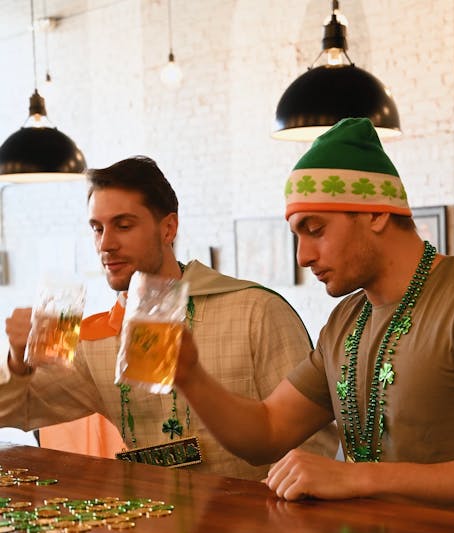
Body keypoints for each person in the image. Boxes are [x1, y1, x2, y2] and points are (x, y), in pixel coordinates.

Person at [171, 118, 454, 513]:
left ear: (376, 214)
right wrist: (190, 376)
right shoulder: (347, 320)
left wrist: (358, 477)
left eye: (315, 229)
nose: (303, 256)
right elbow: (268, 431)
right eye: (297, 236)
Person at [0, 156, 337, 480]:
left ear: (168, 228)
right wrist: (17, 361)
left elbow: (311, 450)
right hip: (149, 524)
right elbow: (13, 412)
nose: (106, 244)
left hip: (254, 527)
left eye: (123, 225)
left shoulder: (255, 311)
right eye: (97, 228)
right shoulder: (98, 340)